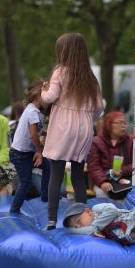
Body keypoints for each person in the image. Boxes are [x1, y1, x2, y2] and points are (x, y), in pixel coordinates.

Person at [41, 33, 104, 230]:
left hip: (63, 126)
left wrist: (43, 90)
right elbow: (99, 107)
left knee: (56, 174)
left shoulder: (60, 72)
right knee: (78, 175)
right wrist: (89, 119)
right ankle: (83, 217)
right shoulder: (90, 77)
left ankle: (52, 219)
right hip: (84, 127)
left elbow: (49, 98)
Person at [9, 79, 49, 213]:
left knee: (48, 166)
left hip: (27, 152)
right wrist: (39, 151)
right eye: (47, 95)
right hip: (20, 154)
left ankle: (45, 196)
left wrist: (46, 133)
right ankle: (14, 210)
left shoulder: (38, 111)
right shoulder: (32, 111)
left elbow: (37, 130)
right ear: (38, 94)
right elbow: (33, 134)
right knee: (25, 183)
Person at [87, 111, 133, 198]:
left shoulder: (130, 141)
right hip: (103, 181)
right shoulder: (96, 142)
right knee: (101, 193)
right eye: (120, 122)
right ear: (109, 124)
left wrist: (122, 171)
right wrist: (103, 182)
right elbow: (94, 166)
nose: (123, 126)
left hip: (125, 181)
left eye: (124, 123)